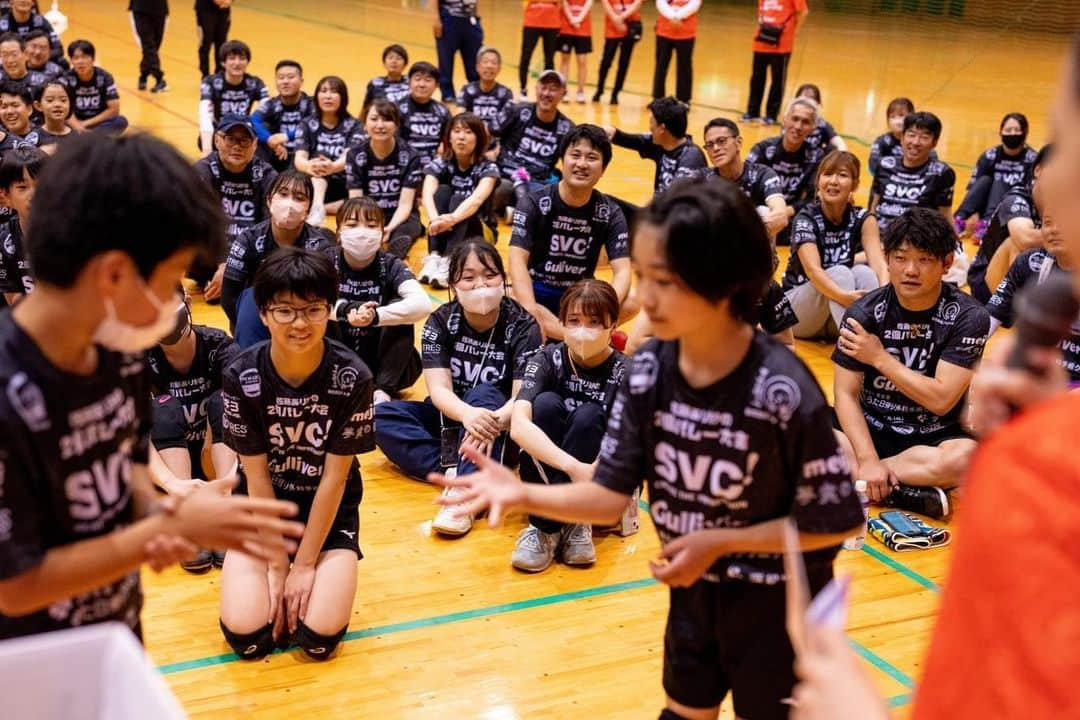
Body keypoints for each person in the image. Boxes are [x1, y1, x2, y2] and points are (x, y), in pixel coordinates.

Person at [434, 180, 863, 720]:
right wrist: (522, 491)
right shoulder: (648, 374)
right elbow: (610, 498)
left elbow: (836, 523)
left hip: (780, 611)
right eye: (644, 276)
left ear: (722, 283)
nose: (642, 298)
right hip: (694, 597)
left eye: (664, 281)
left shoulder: (784, 387)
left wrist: (720, 543)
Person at [792, 32, 1080, 720]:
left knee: (967, 451)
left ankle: (876, 482)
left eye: (1060, 143)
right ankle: (877, 478)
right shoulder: (877, 305)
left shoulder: (966, 314)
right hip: (885, 442)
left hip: (929, 441)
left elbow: (949, 396)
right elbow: (846, 391)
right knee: (820, 435)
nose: (1039, 181)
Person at [0, 132, 303, 641]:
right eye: (168, 282)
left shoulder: (118, 355)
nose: (174, 301)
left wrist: (174, 507)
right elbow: (15, 586)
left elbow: (128, 472)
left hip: (113, 632)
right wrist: (162, 532)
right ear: (115, 274)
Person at [220, 246, 374, 661]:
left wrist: (303, 566)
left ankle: (317, 566)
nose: (300, 323)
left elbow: (334, 480)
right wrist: (275, 565)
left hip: (327, 507)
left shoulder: (352, 376)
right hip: (262, 507)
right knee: (248, 638)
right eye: (285, 311)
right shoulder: (242, 375)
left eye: (313, 309)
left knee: (316, 640)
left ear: (329, 310)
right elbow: (256, 478)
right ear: (264, 314)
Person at [375, 240, 541, 537]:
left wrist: (488, 422)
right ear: (453, 283)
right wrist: (468, 417)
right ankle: (461, 471)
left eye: (490, 275)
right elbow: (439, 391)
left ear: (503, 279)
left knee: (485, 394)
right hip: (454, 418)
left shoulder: (524, 325)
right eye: (468, 277)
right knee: (380, 417)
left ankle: (464, 498)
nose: (481, 285)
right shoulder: (439, 322)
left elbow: (521, 398)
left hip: (501, 426)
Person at [832, 208, 989, 520]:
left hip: (931, 435)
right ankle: (901, 492)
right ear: (887, 259)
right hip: (868, 429)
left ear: (946, 263)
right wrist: (867, 457)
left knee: (971, 459)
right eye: (901, 258)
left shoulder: (968, 316)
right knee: (796, 433)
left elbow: (942, 400)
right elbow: (845, 395)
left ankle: (865, 481)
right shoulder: (863, 313)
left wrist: (879, 357)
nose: (910, 271)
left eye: (924, 260)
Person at [509, 279, 626, 572]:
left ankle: (566, 522)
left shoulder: (630, 371)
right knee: (545, 404)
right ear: (560, 323)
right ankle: (550, 527)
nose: (583, 330)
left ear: (613, 326)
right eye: (574, 321)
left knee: (589, 416)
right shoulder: (546, 358)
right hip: (565, 470)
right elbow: (518, 426)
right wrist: (576, 469)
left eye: (595, 321)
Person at [508, 124, 631, 342]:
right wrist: (530, 310)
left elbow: (622, 272)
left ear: (603, 169)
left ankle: (574, 337)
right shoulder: (535, 201)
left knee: (634, 299)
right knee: (504, 296)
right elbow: (517, 260)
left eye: (592, 157)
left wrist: (604, 311)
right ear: (561, 161)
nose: (582, 164)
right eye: (575, 155)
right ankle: (589, 340)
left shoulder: (609, 211)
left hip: (580, 299)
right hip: (537, 292)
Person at [146, 297, 240, 573]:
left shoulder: (219, 346)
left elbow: (248, 416)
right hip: (168, 469)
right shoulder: (138, 357)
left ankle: (224, 509)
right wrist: (170, 483)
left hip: (220, 457)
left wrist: (231, 479)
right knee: (162, 407)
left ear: (186, 304)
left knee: (224, 400)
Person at [331, 197, 430, 404]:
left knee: (400, 307)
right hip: (336, 355)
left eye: (371, 225)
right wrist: (346, 311)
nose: (361, 231)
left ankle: (382, 391)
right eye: (352, 224)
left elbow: (422, 304)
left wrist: (376, 316)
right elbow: (303, 301)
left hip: (383, 361)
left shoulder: (391, 264)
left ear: (382, 233)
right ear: (339, 232)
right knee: (316, 306)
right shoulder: (326, 260)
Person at [782, 150, 885, 339]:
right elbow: (814, 271)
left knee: (864, 272)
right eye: (828, 174)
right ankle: (854, 348)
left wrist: (885, 298)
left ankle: (878, 339)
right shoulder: (805, 218)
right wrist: (844, 298)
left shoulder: (863, 218)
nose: (834, 181)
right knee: (840, 272)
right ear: (818, 181)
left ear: (855, 184)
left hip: (831, 316)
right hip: (796, 313)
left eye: (843, 175)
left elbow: (880, 265)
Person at [221, 169, 335, 337]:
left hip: (304, 319)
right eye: (283, 194)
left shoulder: (320, 247)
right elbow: (229, 298)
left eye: (299, 198)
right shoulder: (248, 240)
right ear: (269, 200)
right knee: (250, 297)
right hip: (259, 317)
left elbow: (327, 300)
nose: (289, 203)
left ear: (308, 211)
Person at [986, 215, 1079, 381]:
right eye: (1048, 222)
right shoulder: (1029, 261)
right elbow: (986, 324)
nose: (1054, 230)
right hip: (1032, 376)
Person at [420, 112, 499, 288]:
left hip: (481, 231)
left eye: (468, 132)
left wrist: (452, 218)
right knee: (442, 191)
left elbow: (477, 200)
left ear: (478, 138)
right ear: (449, 136)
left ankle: (450, 261)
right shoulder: (441, 162)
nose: (461, 137)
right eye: (456, 131)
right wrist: (436, 221)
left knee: (459, 199)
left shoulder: (488, 167)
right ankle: (434, 257)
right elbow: (427, 193)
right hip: (445, 228)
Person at [968, 143, 1050, 303]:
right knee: (1018, 244)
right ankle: (1023, 313)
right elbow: (1025, 240)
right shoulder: (1017, 197)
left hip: (1030, 275)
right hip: (985, 282)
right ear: (1038, 170)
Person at [346, 98, 425, 260]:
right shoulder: (355, 154)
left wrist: (389, 227)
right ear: (364, 124)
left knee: (407, 229)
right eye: (374, 119)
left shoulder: (411, 155)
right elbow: (356, 201)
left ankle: (394, 254)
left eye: (387, 119)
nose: (380, 125)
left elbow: (405, 205)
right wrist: (371, 226)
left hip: (400, 215)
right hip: (366, 213)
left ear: (396, 125)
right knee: (352, 231)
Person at [489, 69, 573, 217]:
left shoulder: (567, 128)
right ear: (536, 89)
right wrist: (485, 154)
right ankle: (524, 212)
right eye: (544, 87)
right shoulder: (518, 111)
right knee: (499, 189)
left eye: (553, 89)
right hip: (507, 177)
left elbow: (571, 163)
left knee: (554, 199)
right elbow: (489, 130)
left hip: (538, 183)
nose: (547, 93)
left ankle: (516, 212)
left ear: (563, 93)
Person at [194, 114, 278, 252]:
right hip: (212, 253)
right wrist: (222, 261)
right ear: (217, 140)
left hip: (251, 252)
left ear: (255, 144)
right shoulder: (202, 172)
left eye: (244, 140)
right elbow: (199, 224)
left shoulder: (266, 175)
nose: (237, 147)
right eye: (230, 139)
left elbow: (269, 225)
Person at [746, 97, 825, 243]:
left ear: (813, 128)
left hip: (792, 219)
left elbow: (814, 198)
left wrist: (784, 212)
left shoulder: (816, 156)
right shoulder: (763, 149)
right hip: (760, 215)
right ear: (784, 119)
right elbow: (744, 186)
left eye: (805, 122)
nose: (798, 126)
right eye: (794, 119)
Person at [604, 96, 707, 203]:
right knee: (607, 202)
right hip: (659, 213)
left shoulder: (691, 156)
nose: (650, 127)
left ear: (662, 128)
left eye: (651, 122)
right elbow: (636, 141)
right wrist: (614, 133)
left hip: (675, 216)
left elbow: (681, 199)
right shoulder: (664, 144)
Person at [954, 112, 1039, 241]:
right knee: (985, 180)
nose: (1012, 134)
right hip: (987, 205)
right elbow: (974, 187)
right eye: (1008, 130)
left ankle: (989, 223)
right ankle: (960, 219)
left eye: (1017, 130)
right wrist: (975, 213)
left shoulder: (1032, 159)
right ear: (1000, 132)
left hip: (1014, 206)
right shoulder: (990, 156)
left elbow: (1032, 192)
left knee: (1000, 182)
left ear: (1025, 133)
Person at [699, 118, 789, 239]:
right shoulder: (702, 178)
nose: (715, 148)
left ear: (739, 142)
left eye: (721, 141)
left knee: (763, 212)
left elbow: (781, 216)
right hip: (715, 250)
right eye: (709, 145)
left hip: (750, 247)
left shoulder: (762, 174)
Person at [870, 111, 956, 233]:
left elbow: (945, 216)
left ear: (934, 143)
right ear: (902, 137)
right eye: (911, 135)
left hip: (916, 242)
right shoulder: (884, 165)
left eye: (924, 137)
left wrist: (955, 245)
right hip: (880, 238)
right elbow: (873, 209)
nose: (916, 142)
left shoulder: (941, 173)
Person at [294, 75, 363, 226]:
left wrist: (332, 167)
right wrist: (309, 166)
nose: (328, 96)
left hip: (343, 183)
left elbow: (349, 155)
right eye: (323, 91)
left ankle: (319, 208)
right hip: (313, 182)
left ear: (343, 97)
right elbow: (299, 158)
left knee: (363, 199)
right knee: (320, 159)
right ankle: (317, 207)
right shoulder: (307, 123)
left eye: (334, 91)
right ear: (317, 96)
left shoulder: (354, 125)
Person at [198, 40, 269, 154]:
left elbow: (267, 109)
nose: (237, 63)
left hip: (245, 131)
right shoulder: (210, 82)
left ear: (247, 62)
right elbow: (205, 115)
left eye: (242, 58)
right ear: (223, 62)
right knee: (204, 137)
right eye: (231, 58)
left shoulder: (255, 83)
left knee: (267, 126)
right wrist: (207, 152)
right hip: (221, 132)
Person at [744, 0, 808, 124]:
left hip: (782, 44)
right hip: (761, 41)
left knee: (777, 80)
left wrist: (794, 32)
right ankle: (752, 112)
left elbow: (803, 11)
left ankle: (771, 115)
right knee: (757, 77)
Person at [251, 59, 314, 172]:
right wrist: (270, 139)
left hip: (303, 155)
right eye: (281, 78)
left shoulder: (311, 103)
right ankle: (259, 176)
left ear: (301, 81)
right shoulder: (271, 104)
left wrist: (287, 136)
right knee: (263, 128)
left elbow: (315, 126)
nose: (285, 81)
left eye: (290, 77)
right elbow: (253, 121)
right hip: (278, 154)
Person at [0, 144, 43, 304]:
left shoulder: (71, 232)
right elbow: (13, 299)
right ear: (5, 196)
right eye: (22, 187)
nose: (33, 195)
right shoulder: (4, 239)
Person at [62, 39, 128, 134]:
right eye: (76, 58)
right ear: (71, 61)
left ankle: (87, 137)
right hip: (74, 122)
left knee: (120, 121)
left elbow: (114, 109)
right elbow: (63, 108)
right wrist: (77, 126)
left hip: (97, 122)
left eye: (84, 57)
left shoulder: (105, 77)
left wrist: (85, 124)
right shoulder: (66, 79)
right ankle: (93, 138)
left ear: (93, 59)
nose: (80, 61)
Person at [396, 61, 452, 169]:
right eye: (417, 79)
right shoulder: (397, 109)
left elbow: (449, 142)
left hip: (434, 167)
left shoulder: (443, 111)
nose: (422, 85)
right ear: (409, 82)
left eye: (428, 80)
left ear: (436, 85)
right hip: (403, 166)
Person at [432, 0, 483, 105]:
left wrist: (477, 17)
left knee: (474, 59)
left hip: (470, 19)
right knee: (446, 59)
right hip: (449, 18)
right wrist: (436, 20)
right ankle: (447, 94)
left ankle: (475, 89)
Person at [592, 0, 642, 105]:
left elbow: (637, 3)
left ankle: (615, 93)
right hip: (612, 26)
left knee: (624, 63)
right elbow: (605, 3)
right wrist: (616, 19)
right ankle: (599, 89)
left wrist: (621, 17)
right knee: (606, 61)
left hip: (629, 26)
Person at [652, 0, 699, 104]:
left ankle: (683, 100)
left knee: (684, 67)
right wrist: (673, 17)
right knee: (660, 65)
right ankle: (658, 98)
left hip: (686, 32)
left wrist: (677, 17)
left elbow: (694, 4)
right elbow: (660, 3)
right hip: (664, 31)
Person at [460, 46, 514, 134]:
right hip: (472, 136)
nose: (489, 66)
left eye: (494, 62)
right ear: (477, 67)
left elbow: (506, 122)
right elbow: (459, 115)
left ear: (499, 69)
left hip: (495, 137)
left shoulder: (506, 93)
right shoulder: (467, 90)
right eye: (485, 62)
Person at [518, 0, 562, 101]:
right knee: (526, 56)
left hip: (551, 22)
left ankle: (547, 89)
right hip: (532, 21)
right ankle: (523, 89)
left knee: (549, 59)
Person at [0, 0, 62, 68]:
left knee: (62, 63)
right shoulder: (1, 24)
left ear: (32, 2)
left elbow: (58, 50)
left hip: (36, 63)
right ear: (11, 2)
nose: (23, 0)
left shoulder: (41, 22)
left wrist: (37, 57)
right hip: (9, 65)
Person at [868, 96, 914, 177]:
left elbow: (931, 158)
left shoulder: (917, 141)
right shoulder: (882, 141)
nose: (897, 121)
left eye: (901, 115)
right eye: (893, 117)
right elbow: (873, 162)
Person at [794, 83, 846, 152]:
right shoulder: (790, 121)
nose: (807, 103)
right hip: (790, 158)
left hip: (813, 160)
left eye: (811, 99)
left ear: (817, 103)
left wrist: (842, 153)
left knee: (834, 148)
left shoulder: (822, 124)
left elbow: (839, 143)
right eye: (803, 100)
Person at [557, 0, 592, 104]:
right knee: (565, 60)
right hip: (566, 27)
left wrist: (579, 18)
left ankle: (580, 91)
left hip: (583, 28)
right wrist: (572, 19)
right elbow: (563, 2)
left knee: (582, 61)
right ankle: (564, 91)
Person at [129, 0, 168, 93]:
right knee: (148, 45)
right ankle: (159, 78)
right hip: (140, 9)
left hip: (160, 9)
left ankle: (144, 74)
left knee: (155, 46)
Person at [32, 77, 75, 152]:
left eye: (63, 100)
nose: (57, 104)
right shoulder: (34, 138)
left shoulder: (78, 137)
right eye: (50, 100)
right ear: (38, 106)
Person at [0, 32, 48, 98]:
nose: (10, 60)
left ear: (26, 55)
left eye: (14, 55)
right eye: (4, 55)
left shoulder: (41, 81)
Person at [362, 44, 411, 108]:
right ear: (384, 63)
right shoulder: (375, 84)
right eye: (390, 58)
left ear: (405, 64)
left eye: (399, 58)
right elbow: (366, 107)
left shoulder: (411, 82)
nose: (394, 61)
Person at [195, 0, 231, 79]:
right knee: (205, 43)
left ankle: (220, 73)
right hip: (205, 10)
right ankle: (205, 74)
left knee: (222, 43)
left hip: (223, 10)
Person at [0, 79, 42, 146]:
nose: (9, 111)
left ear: (29, 109)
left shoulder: (45, 138)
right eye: (4, 107)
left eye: (15, 105)